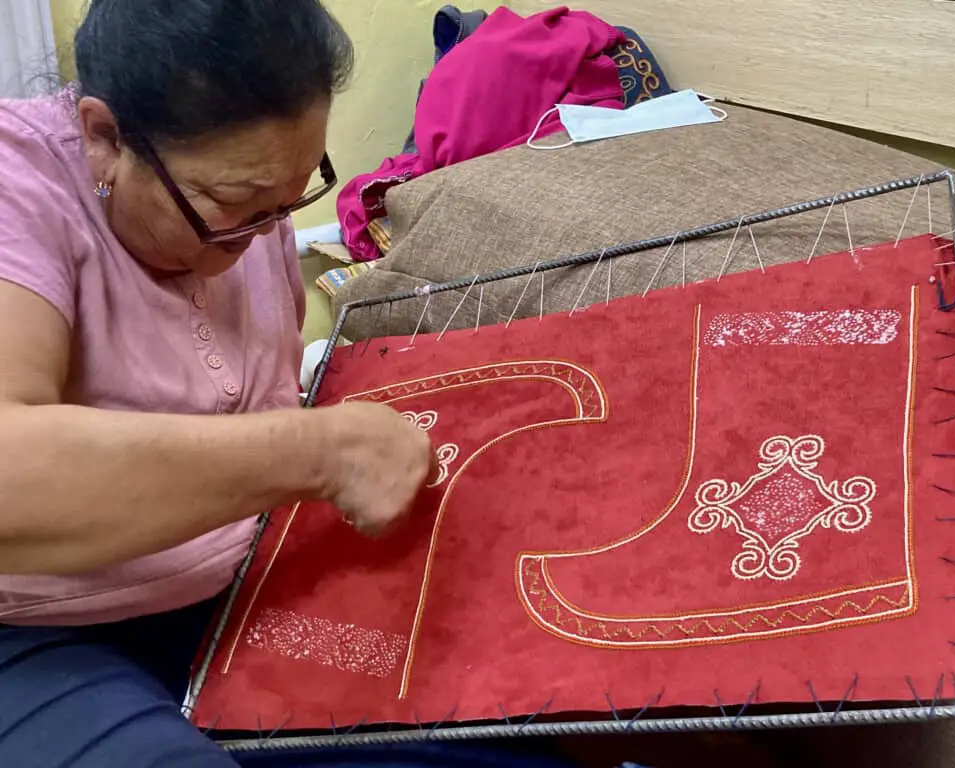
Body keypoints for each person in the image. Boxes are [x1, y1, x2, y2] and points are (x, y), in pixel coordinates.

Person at [0, 1, 582, 766]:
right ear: (103, 137)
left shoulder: (248, 209)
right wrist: (316, 453)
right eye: (232, 207)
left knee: (517, 729)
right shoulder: (19, 185)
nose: (254, 241)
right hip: (36, 625)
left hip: (224, 593)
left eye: (288, 201)